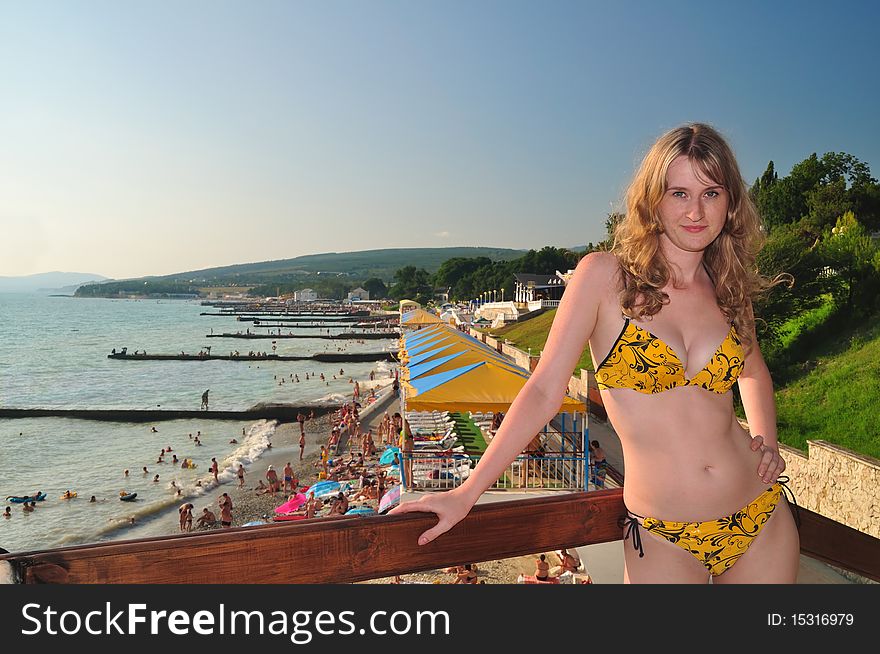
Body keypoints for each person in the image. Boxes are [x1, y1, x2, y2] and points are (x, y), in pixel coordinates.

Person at [392, 123, 799, 584]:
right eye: (679, 193)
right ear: (653, 199)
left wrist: (766, 441)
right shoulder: (605, 278)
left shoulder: (728, 287)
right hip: (663, 535)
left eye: (711, 192)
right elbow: (544, 389)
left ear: (730, 204)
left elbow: (754, 372)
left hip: (759, 515)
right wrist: (467, 492)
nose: (696, 211)